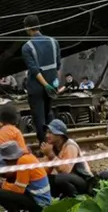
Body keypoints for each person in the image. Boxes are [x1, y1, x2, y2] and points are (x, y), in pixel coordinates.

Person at [21, 15, 61, 144]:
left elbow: (34, 70)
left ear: (27, 28)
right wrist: (54, 83)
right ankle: (57, 143)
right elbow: (58, 65)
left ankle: (44, 145)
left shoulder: (27, 47)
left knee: (39, 117)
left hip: (37, 87)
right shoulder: (54, 42)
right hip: (52, 84)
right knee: (49, 113)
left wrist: (45, 85)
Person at [40, 119, 94, 198]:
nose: (47, 135)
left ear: (59, 135)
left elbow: (65, 170)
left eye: (50, 132)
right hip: (68, 178)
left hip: (83, 180)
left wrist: (51, 155)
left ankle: (76, 198)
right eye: (47, 132)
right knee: (46, 179)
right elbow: (45, 171)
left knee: (60, 179)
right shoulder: (52, 147)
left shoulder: (70, 146)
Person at [0, 141, 51, 212]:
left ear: (10, 159)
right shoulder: (27, 156)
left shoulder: (22, 161)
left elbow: (19, 190)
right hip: (39, 198)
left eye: (6, 161)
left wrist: (3, 184)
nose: (7, 164)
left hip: (40, 203)